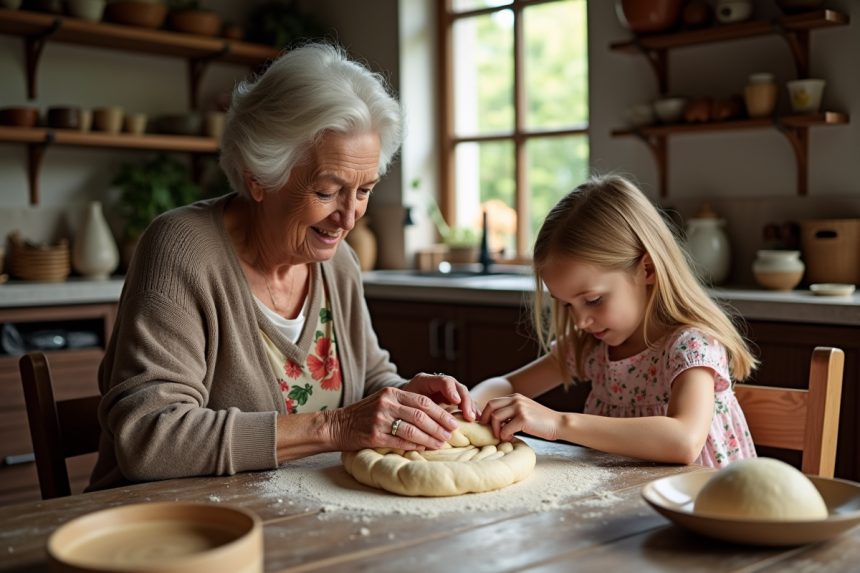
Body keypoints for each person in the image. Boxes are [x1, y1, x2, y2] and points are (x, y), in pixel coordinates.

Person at [88, 43, 477, 491]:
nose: (349, 217)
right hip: (170, 528)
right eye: (328, 192)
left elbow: (368, 380)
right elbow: (149, 437)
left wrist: (406, 397)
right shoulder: (181, 250)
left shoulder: (338, 263)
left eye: (365, 189)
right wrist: (333, 428)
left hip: (297, 515)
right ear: (258, 177)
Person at [470, 174, 757, 468]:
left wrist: (558, 423)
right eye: (567, 305)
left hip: (702, 505)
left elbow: (683, 441)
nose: (580, 321)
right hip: (630, 501)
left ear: (646, 269)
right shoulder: (589, 348)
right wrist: (464, 407)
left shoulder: (690, 346)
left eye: (593, 300)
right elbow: (508, 383)